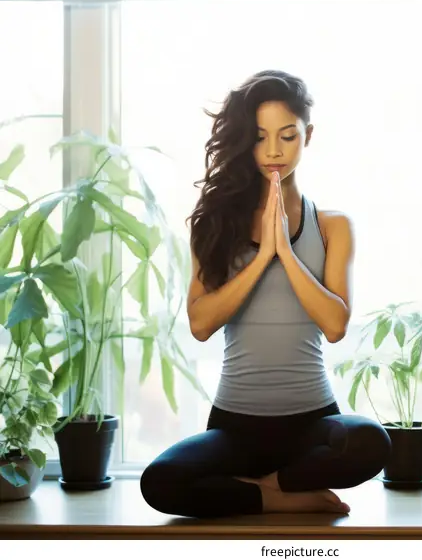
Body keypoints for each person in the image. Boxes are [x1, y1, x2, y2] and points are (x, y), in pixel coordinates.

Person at [140, 70, 391, 519]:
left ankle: (267, 487)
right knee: (159, 483)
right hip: (235, 429)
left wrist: (286, 254)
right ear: (245, 142)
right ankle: (277, 497)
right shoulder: (213, 224)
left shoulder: (333, 226)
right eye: (259, 137)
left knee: (373, 442)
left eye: (287, 136)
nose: (274, 151)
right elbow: (200, 325)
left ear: (307, 136)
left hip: (313, 425)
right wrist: (261, 259)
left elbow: (335, 326)